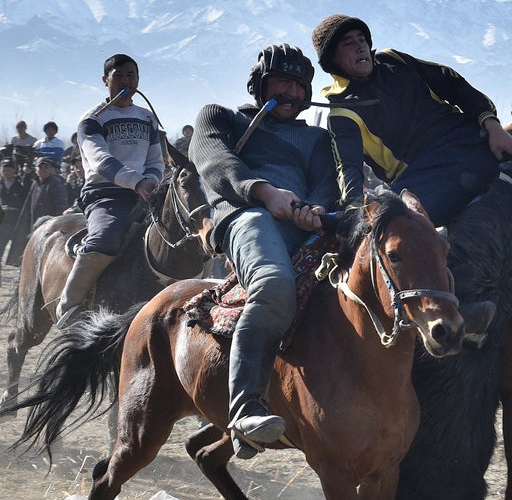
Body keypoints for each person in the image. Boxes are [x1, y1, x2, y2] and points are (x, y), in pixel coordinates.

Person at [189, 44, 359, 459]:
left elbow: (325, 185)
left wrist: (316, 210)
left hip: (303, 223)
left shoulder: (317, 137)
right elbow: (214, 162)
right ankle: (246, 407)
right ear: (259, 84)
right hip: (247, 218)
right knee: (273, 283)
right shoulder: (220, 117)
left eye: (300, 86)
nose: (292, 93)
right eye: (281, 82)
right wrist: (265, 193)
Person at [310, 14, 512, 228]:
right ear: (332, 59)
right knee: (394, 227)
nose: (360, 47)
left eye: (361, 39)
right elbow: (348, 168)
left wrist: (493, 126)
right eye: (348, 44)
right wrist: (353, 209)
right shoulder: (342, 111)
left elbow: (452, 83)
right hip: (425, 178)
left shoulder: (393, 59)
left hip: (471, 142)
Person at [58, 54, 165, 326]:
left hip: (145, 193)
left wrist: (151, 180)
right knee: (106, 237)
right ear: (105, 80)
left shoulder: (147, 118)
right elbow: (100, 161)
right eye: (119, 76)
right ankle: (70, 304)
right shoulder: (92, 119)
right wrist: (136, 181)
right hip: (105, 194)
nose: (126, 81)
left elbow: (155, 160)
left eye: (131, 75)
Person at [19, 157, 70, 233]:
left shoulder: (56, 184)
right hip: (35, 225)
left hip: (50, 227)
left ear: (51, 169)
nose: (43, 170)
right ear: (36, 170)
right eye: (40, 167)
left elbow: (62, 206)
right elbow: (28, 206)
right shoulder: (35, 183)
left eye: (46, 167)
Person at [0, 159, 29, 268]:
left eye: (8, 169)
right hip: (1, 224)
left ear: (14, 171)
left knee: (18, 253)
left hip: (16, 223)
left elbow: (25, 204)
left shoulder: (20, 186)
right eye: (4, 169)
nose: (6, 172)